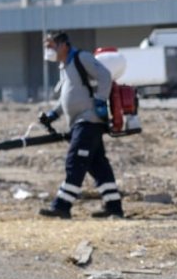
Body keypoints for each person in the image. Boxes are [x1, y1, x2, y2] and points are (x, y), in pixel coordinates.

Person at [37, 32, 124, 219]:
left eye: (51, 45)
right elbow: (68, 97)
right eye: (46, 46)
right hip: (79, 122)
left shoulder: (80, 58)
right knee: (98, 165)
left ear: (64, 45)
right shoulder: (64, 66)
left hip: (88, 120)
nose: (48, 50)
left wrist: (100, 100)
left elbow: (105, 76)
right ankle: (114, 207)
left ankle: (62, 206)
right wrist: (53, 114)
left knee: (75, 161)